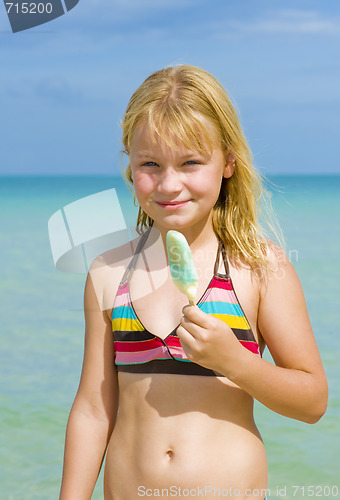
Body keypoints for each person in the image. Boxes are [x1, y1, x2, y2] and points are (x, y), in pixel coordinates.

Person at [59, 65, 328, 500]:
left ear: (228, 162)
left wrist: (236, 362)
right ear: (129, 163)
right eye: (150, 163)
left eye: (190, 163)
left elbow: (313, 401)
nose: (169, 184)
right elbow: (93, 409)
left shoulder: (258, 268)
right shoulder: (109, 273)